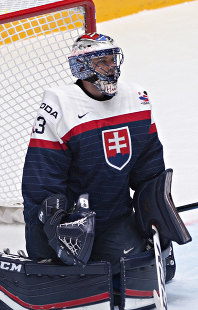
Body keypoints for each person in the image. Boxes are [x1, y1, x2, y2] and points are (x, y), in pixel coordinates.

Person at [22, 33, 183, 288]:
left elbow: (149, 166)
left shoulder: (136, 99)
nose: (111, 68)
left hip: (111, 217)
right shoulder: (61, 106)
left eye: (112, 60)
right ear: (82, 67)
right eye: (102, 62)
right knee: (64, 283)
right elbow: (42, 177)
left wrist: (156, 213)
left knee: (127, 276)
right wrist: (57, 226)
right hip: (66, 220)